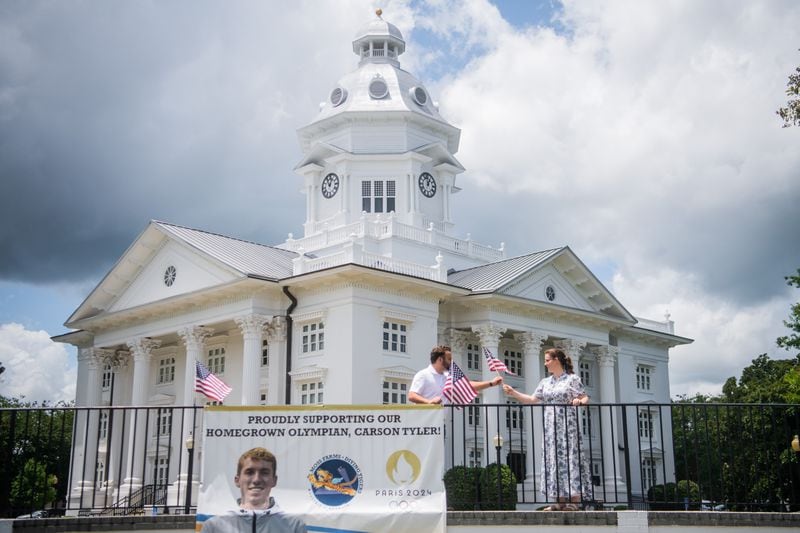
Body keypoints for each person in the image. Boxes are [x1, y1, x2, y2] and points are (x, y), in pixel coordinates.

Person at [503, 347, 592, 511]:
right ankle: (559, 501)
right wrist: (513, 392)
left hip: (567, 425)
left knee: (570, 457)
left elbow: (584, 396)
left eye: (547, 360)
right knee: (554, 460)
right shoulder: (545, 382)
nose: (545, 363)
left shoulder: (572, 379)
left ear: (556, 360)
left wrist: (580, 401)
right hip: (551, 428)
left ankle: (574, 500)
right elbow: (531, 399)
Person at [201, 447, 307, 532]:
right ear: (237, 480)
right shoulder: (213, 527)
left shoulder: (294, 527)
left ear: (274, 480)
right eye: (249, 472)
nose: (256, 479)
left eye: (264, 472)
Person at [408, 344, 502, 404]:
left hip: (441, 423)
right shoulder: (423, 375)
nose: (452, 362)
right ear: (440, 359)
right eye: (449, 359)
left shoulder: (447, 377)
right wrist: (429, 402)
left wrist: (491, 383)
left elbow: (467, 385)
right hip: (426, 423)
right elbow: (412, 395)